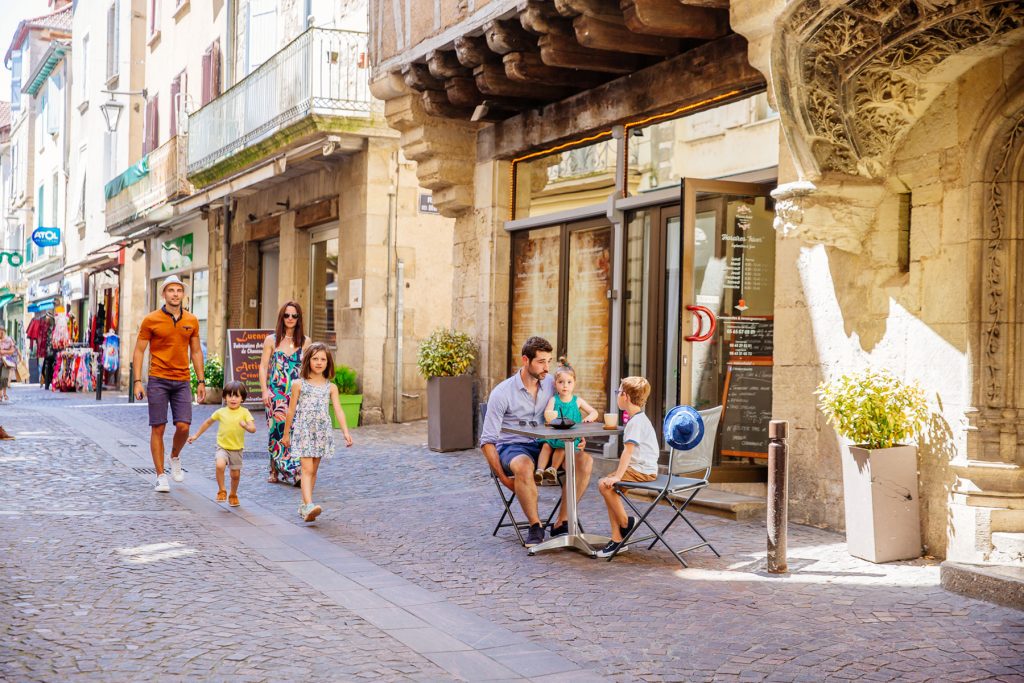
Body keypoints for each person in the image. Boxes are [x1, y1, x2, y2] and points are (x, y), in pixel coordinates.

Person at [480, 336, 594, 548]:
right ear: (526, 360)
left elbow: (571, 411)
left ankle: (561, 522)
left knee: (585, 462)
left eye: (549, 361)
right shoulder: (502, 393)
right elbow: (487, 441)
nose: (546, 368)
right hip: (513, 447)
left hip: (549, 445)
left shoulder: (553, 384)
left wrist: (579, 438)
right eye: (541, 362)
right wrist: (505, 480)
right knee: (524, 465)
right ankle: (535, 525)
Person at [132, 275, 206, 492]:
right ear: (163, 294)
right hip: (158, 379)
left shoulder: (191, 320)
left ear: (183, 294)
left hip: (182, 379)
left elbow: (196, 351)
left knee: (183, 426)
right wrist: (137, 381)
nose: (175, 294)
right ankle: (160, 475)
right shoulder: (151, 320)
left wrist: (201, 380)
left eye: (179, 290)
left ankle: (174, 456)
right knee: (158, 427)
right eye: (171, 290)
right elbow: (139, 351)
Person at [281, 343, 353, 522]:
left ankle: (305, 504)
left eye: (323, 359)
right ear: (308, 361)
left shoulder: (331, 387)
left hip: (321, 432)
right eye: (315, 358)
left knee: (313, 471)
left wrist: (345, 432)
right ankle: (309, 504)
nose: (319, 362)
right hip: (304, 430)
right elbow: (291, 411)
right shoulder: (299, 384)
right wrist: (286, 434)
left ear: (328, 363)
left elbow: (338, 410)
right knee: (306, 469)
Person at [596, 376, 661, 558]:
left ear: (625, 396)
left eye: (618, 392)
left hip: (642, 471)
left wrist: (617, 476)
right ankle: (617, 539)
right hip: (640, 469)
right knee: (608, 486)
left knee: (605, 484)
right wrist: (615, 477)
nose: (617, 395)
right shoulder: (637, 419)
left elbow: (628, 452)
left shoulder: (635, 422)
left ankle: (626, 524)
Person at [258, 301, 310, 485]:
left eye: (294, 316)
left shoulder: (305, 341)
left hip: (296, 394)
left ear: (299, 318)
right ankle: (274, 469)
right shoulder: (271, 340)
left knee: (294, 432)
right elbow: (263, 367)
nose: (290, 319)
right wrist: (265, 391)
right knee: (276, 432)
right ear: (282, 317)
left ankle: (295, 471)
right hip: (276, 394)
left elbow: (307, 370)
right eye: (287, 315)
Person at [186, 381, 257, 507]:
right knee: (220, 465)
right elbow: (208, 422)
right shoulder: (221, 412)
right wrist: (196, 436)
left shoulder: (245, 412)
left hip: (237, 448)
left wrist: (245, 426)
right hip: (222, 446)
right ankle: (222, 490)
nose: (233, 399)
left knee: (235, 475)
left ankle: (233, 494)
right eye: (230, 396)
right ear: (225, 397)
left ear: (242, 398)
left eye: (237, 396)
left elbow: (253, 429)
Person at [535, 358, 599, 485]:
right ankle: (539, 472)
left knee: (563, 446)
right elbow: (548, 414)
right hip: (554, 435)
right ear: (555, 384)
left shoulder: (577, 401)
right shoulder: (554, 400)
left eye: (569, 382)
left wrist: (587, 419)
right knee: (546, 445)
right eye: (561, 382)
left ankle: (552, 469)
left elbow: (594, 412)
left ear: (574, 383)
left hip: (569, 438)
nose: (565, 386)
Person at [0, 328, 22, 402]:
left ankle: (4, 393)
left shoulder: (9, 340)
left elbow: (13, 351)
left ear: (4, 332)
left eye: (1, 333)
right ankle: (1, 394)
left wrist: (4, 352)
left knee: (4, 377)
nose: (0, 334)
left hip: (6, 362)